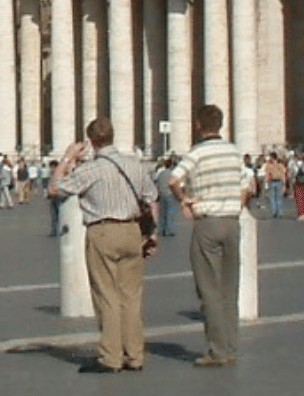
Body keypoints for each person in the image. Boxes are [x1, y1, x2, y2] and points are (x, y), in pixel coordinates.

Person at [51, 117, 157, 374]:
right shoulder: (135, 164)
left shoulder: (90, 169)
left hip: (103, 232)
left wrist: (66, 158)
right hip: (132, 231)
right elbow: (152, 198)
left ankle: (111, 357)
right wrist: (152, 236)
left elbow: (54, 188)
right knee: (131, 296)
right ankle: (135, 355)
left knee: (107, 295)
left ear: (91, 141)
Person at [167, 105, 252, 368]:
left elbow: (173, 179)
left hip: (208, 223)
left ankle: (217, 350)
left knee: (209, 289)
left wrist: (184, 200)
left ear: (197, 125)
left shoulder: (197, 153)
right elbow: (248, 183)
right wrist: (236, 204)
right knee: (230, 289)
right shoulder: (234, 151)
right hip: (232, 222)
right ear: (222, 124)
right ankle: (230, 346)